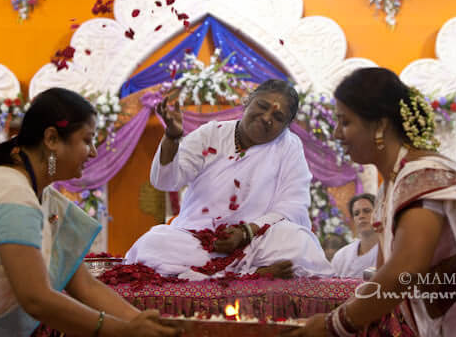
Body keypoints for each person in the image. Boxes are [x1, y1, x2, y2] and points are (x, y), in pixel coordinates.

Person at [286, 68, 456, 337]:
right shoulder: (394, 184)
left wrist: (334, 325)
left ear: (380, 125)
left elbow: (404, 272)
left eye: (345, 122)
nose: (338, 133)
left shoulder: (423, 179)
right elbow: (387, 275)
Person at [0, 88, 178, 336]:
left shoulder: (45, 199)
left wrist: (144, 324)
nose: (93, 152)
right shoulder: (9, 191)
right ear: (52, 139)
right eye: (87, 140)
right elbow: (35, 298)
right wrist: (121, 331)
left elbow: (85, 285)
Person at [125, 79, 334, 280]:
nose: (267, 117)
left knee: (297, 243)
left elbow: (292, 206)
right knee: (153, 245)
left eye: (278, 117)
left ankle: (238, 272)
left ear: (287, 125)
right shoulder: (210, 134)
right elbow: (165, 182)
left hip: (255, 242)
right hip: (197, 242)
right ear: (247, 101)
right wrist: (171, 138)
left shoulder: (289, 147)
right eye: (262, 106)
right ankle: (252, 274)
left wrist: (245, 233)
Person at [330, 193, 378, 279]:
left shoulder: (388, 251)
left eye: (367, 211)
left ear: (379, 214)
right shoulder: (341, 256)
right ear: (353, 220)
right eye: (356, 213)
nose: (361, 216)